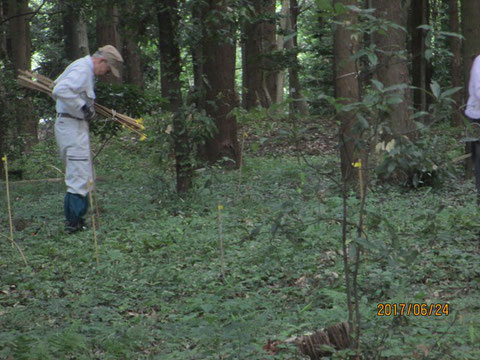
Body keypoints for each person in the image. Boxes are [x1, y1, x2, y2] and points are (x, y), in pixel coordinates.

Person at [52, 45, 123, 233]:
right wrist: (82, 107)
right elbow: (60, 89)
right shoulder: (83, 69)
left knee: (82, 174)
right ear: (101, 61)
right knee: (78, 176)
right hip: (71, 127)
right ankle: (74, 224)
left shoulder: (81, 68)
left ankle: (76, 221)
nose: (106, 73)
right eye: (107, 69)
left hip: (73, 126)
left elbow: (58, 85)